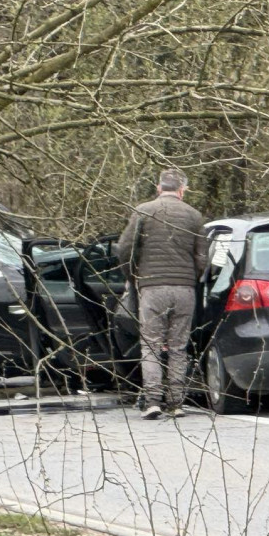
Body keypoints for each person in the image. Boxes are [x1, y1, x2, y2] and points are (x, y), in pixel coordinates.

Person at [117, 168, 207, 419]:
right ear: (182, 190)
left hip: (152, 288)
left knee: (151, 345)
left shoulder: (143, 211)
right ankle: (176, 403)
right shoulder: (194, 216)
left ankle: (153, 402)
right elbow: (202, 257)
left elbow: (125, 249)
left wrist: (134, 277)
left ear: (159, 188)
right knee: (178, 347)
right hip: (184, 289)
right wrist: (191, 278)